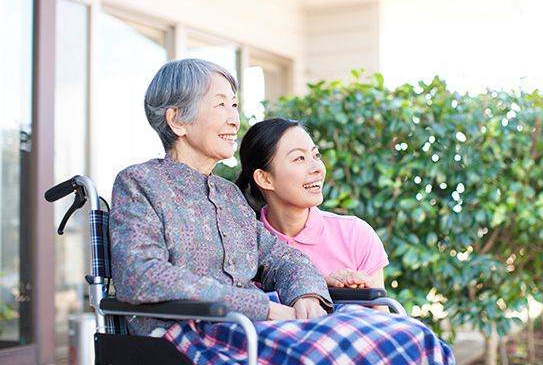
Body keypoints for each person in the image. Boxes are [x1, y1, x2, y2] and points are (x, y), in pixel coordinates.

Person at [110, 58, 455, 364]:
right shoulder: (140, 183)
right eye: (220, 105)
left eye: (234, 104)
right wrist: (260, 307)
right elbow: (141, 275)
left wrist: (305, 292)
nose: (234, 118)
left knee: (406, 334)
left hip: (248, 325)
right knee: (335, 352)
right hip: (189, 334)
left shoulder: (228, 195)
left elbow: (281, 257)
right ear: (178, 121)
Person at [235, 118, 387, 292]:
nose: (318, 168)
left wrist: (365, 292)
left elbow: (381, 314)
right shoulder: (240, 245)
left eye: (316, 155)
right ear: (265, 179)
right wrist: (318, 288)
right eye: (299, 158)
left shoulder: (355, 235)